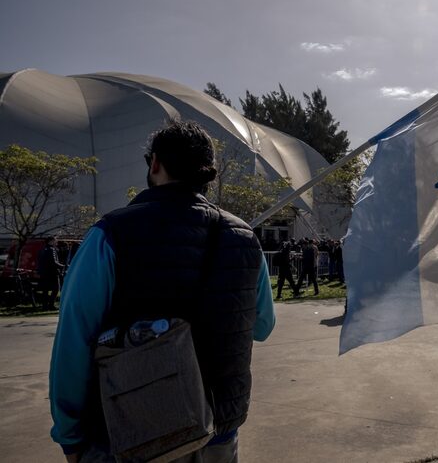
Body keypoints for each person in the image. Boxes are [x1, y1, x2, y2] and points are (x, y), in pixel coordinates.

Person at [49, 120, 276, 462]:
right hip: (217, 427)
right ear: (207, 170)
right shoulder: (244, 239)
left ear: (154, 163)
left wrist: (70, 435)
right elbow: (262, 326)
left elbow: (74, 341)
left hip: (132, 429)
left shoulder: (110, 234)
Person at [37, 236, 64, 310]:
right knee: (56, 289)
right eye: (55, 240)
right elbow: (54, 262)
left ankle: (44, 306)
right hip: (52, 273)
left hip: (44, 273)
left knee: (45, 290)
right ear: (51, 241)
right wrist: (63, 266)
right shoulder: (52, 250)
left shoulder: (42, 249)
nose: (57, 242)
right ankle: (51, 305)